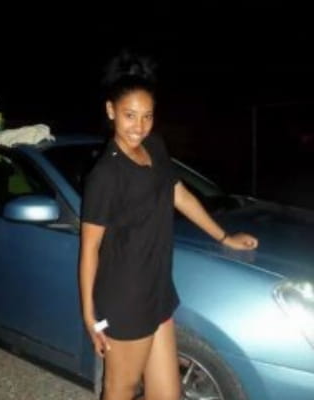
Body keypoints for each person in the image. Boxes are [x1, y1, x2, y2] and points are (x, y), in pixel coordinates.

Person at [79, 51, 258, 400]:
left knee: (167, 394)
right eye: (130, 115)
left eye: (147, 116)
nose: (139, 126)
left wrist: (225, 236)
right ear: (111, 111)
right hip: (126, 299)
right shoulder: (106, 175)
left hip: (158, 289)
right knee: (120, 388)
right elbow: (89, 248)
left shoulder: (155, 146)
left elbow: (180, 195)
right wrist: (89, 315)